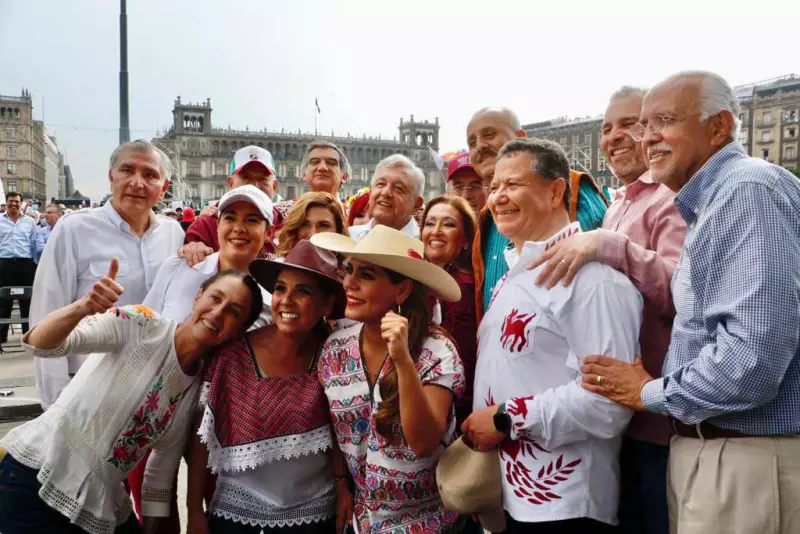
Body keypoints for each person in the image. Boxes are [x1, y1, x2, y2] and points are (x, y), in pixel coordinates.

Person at [581, 71, 800, 534]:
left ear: (719, 126)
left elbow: (750, 363)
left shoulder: (746, 192)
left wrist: (647, 392)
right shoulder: (711, 200)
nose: (648, 136)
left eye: (665, 120)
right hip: (714, 452)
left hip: (744, 459)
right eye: (645, 124)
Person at [462, 138, 642, 533]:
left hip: (566, 508)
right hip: (507, 499)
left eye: (513, 185)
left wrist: (508, 418)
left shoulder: (594, 281)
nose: (498, 198)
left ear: (555, 190)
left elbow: (609, 404)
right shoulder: (514, 274)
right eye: (494, 187)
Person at [528, 86, 687, 534]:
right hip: (616, 419)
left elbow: (682, 291)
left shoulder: (671, 199)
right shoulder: (620, 203)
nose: (614, 137)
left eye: (629, 124)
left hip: (660, 421)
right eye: (606, 128)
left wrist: (609, 245)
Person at [0, 266, 263, 534]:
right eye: (215, 298)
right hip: (37, 474)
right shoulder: (140, 323)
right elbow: (40, 344)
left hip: (100, 497)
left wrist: (151, 527)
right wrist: (83, 307)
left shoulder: (196, 391)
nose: (218, 313)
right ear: (198, 296)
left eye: (234, 311)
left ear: (239, 331)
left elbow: (160, 472)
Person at [124, 184, 275, 529]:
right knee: (152, 513)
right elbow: (144, 330)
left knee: (208, 512)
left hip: (221, 428)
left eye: (252, 220)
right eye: (230, 217)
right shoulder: (179, 268)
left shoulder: (271, 300)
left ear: (268, 232)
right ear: (217, 224)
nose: (239, 227)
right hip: (154, 410)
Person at [187, 240, 350, 534]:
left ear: (327, 304)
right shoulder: (232, 355)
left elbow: (339, 430)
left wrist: (342, 488)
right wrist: (193, 510)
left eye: (303, 291)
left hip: (315, 515)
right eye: (280, 288)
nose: (287, 300)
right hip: (235, 515)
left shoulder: (334, 355)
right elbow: (202, 436)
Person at [311, 225, 464, 534]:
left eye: (366, 275)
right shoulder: (334, 349)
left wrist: (404, 363)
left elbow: (423, 443)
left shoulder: (438, 351)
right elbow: (332, 429)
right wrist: (342, 484)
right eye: (350, 270)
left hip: (430, 523)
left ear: (402, 291)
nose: (349, 283)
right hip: (361, 521)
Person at [31, 140, 184, 409]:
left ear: (163, 189)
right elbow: (46, 312)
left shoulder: (174, 234)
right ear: (111, 176)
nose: (137, 182)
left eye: (150, 175)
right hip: (86, 389)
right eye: (127, 170)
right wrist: (55, 404)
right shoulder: (75, 230)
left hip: (152, 390)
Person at [467, 108, 609, 320]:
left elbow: (595, 271)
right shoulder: (489, 212)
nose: (480, 146)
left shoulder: (572, 186)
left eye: (489, 135)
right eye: (472, 142)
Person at [420, 195, 478, 426]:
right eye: (430, 223)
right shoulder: (412, 280)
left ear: (465, 239)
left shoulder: (466, 287)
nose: (436, 231)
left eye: (448, 224)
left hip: (454, 405)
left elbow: (464, 355)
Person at [183, 146, 277, 253]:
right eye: (246, 177)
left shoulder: (289, 224)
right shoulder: (206, 225)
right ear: (230, 183)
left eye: (262, 179)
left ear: (274, 186)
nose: (255, 186)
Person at [348, 155, 424, 241]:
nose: (385, 193)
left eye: (398, 188)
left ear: (416, 204)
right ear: (371, 190)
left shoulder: (425, 246)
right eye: (381, 184)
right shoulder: (349, 238)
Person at [0, 192, 38, 345]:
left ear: (21, 203)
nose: (14, 204)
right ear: (6, 202)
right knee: (3, 301)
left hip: (25, 264)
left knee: (27, 301)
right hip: (4, 264)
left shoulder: (30, 222)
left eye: (17, 201)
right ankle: (2, 336)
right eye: (11, 201)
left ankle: (27, 335)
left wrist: (34, 264)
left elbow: (34, 244)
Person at [275, 192, 348, 258]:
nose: (313, 234)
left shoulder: (352, 272)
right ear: (294, 229)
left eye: (324, 225)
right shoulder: (274, 271)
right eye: (304, 224)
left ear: (338, 231)